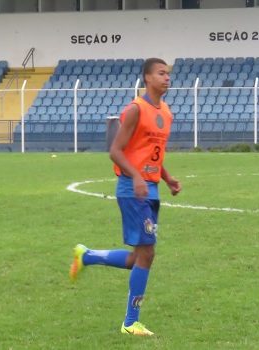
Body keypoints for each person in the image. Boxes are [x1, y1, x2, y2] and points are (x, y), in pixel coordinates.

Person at [69, 58, 181, 336]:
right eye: (161, 73)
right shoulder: (135, 110)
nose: (167, 78)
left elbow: (151, 153)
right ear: (147, 78)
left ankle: (87, 256)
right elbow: (116, 151)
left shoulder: (166, 112)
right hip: (133, 188)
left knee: (138, 257)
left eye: (168, 73)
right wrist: (138, 177)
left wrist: (166, 178)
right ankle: (130, 322)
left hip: (150, 188)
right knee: (148, 253)